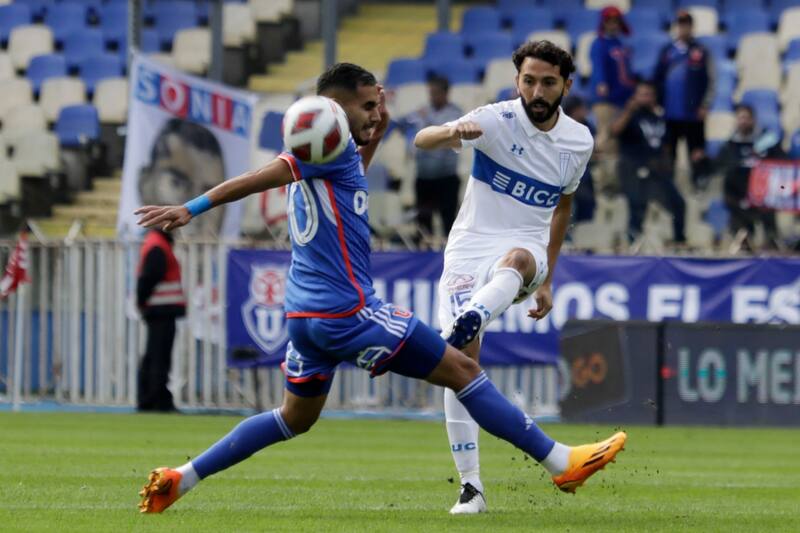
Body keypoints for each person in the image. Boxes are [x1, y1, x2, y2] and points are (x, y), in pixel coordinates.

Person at [135, 62, 626, 514]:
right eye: (365, 106)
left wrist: (378, 119)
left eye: (376, 104)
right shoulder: (319, 146)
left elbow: (351, 164)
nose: (375, 113)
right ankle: (560, 462)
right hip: (348, 312)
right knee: (462, 368)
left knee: (293, 418)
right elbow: (262, 176)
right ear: (333, 111)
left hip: (304, 317)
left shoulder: (335, 153)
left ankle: (183, 476)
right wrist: (192, 208)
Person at [414, 40, 598, 514]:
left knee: (518, 262)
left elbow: (563, 207)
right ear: (517, 80)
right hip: (470, 246)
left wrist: (550, 277)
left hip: (525, 247)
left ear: (566, 85)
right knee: (459, 365)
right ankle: (471, 487)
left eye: (548, 83)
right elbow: (422, 140)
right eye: (529, 80)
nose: (537, 91)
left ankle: (475, 312)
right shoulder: (495, 119)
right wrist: (453, 130)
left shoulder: (579, 140)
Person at [611, 80, 686, 244]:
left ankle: (679, 241)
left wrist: (667, 165)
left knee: (678, 203)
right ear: (636, 97)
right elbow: (614, 131)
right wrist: (628, 112)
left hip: (657, 169)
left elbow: (666, 145)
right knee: (637, 205)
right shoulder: (630, 116)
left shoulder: (660, 118)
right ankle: (634, 242)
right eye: (642, 94)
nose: (646, 98)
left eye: (649, 94)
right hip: (633, 168)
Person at [653, 10, 713, 188]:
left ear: (692, 27)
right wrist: (657, 103)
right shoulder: (667, 51)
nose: (683, 28)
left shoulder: (701, 51)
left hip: (694, 113)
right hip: (670, 113)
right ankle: (668, 188)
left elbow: (711, 79)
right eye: (680, 24)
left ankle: (698, 187)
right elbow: (657, 78)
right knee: (669, 152)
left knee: (696, 151)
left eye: (687, 24)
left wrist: (705, 104)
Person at [401, 75, 463, 239]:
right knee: (422, 222)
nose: (432, 97)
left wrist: (424, 120)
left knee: (448, 220)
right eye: (430, 93)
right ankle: (423, 256)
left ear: (445, 93)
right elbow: (405, 124)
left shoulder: (455, 113)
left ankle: (448, 257)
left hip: (446, 177)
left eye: (435, 93)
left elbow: (443, 135)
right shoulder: (422, 110)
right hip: (423, 177)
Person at [136, 229, 185, 412]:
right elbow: (149, 277)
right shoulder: (158, 246)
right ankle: (157, 400)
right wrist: (141, 301)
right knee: (159, 358)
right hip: (162, 309)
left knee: (153, 356)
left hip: (158, 309)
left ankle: (148, 399)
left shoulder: (154, 243)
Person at [716, 103, 779, 248]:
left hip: (763, 195)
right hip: (738, 196)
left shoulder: (767, 141)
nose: (743, 121)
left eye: (746, 117)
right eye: (740, 117)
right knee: (735, 213)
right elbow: (720, 167)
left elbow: (781, 161)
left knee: (769, 213)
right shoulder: (729, 145)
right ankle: (743, 244)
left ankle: (772, 242)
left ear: (753, 120)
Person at [588, 6, 635, 162]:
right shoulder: (599, 43)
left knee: (619, 143)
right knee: (606, 140)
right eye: (609, 21)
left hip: (622, 100)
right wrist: (601, 83)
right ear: (604, 23)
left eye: (616, 21)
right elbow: (598, 65)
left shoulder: (621, 44)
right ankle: (605, 183)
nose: (613, 25)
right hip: (606, 101)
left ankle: (617, 180)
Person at [563, 95, 596, 224]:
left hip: (583, 174)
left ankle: (574, 233)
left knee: (584, 205)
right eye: (582, 108)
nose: (585, 112)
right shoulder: (561, 126)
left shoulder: (587, 126)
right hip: (564, 173)